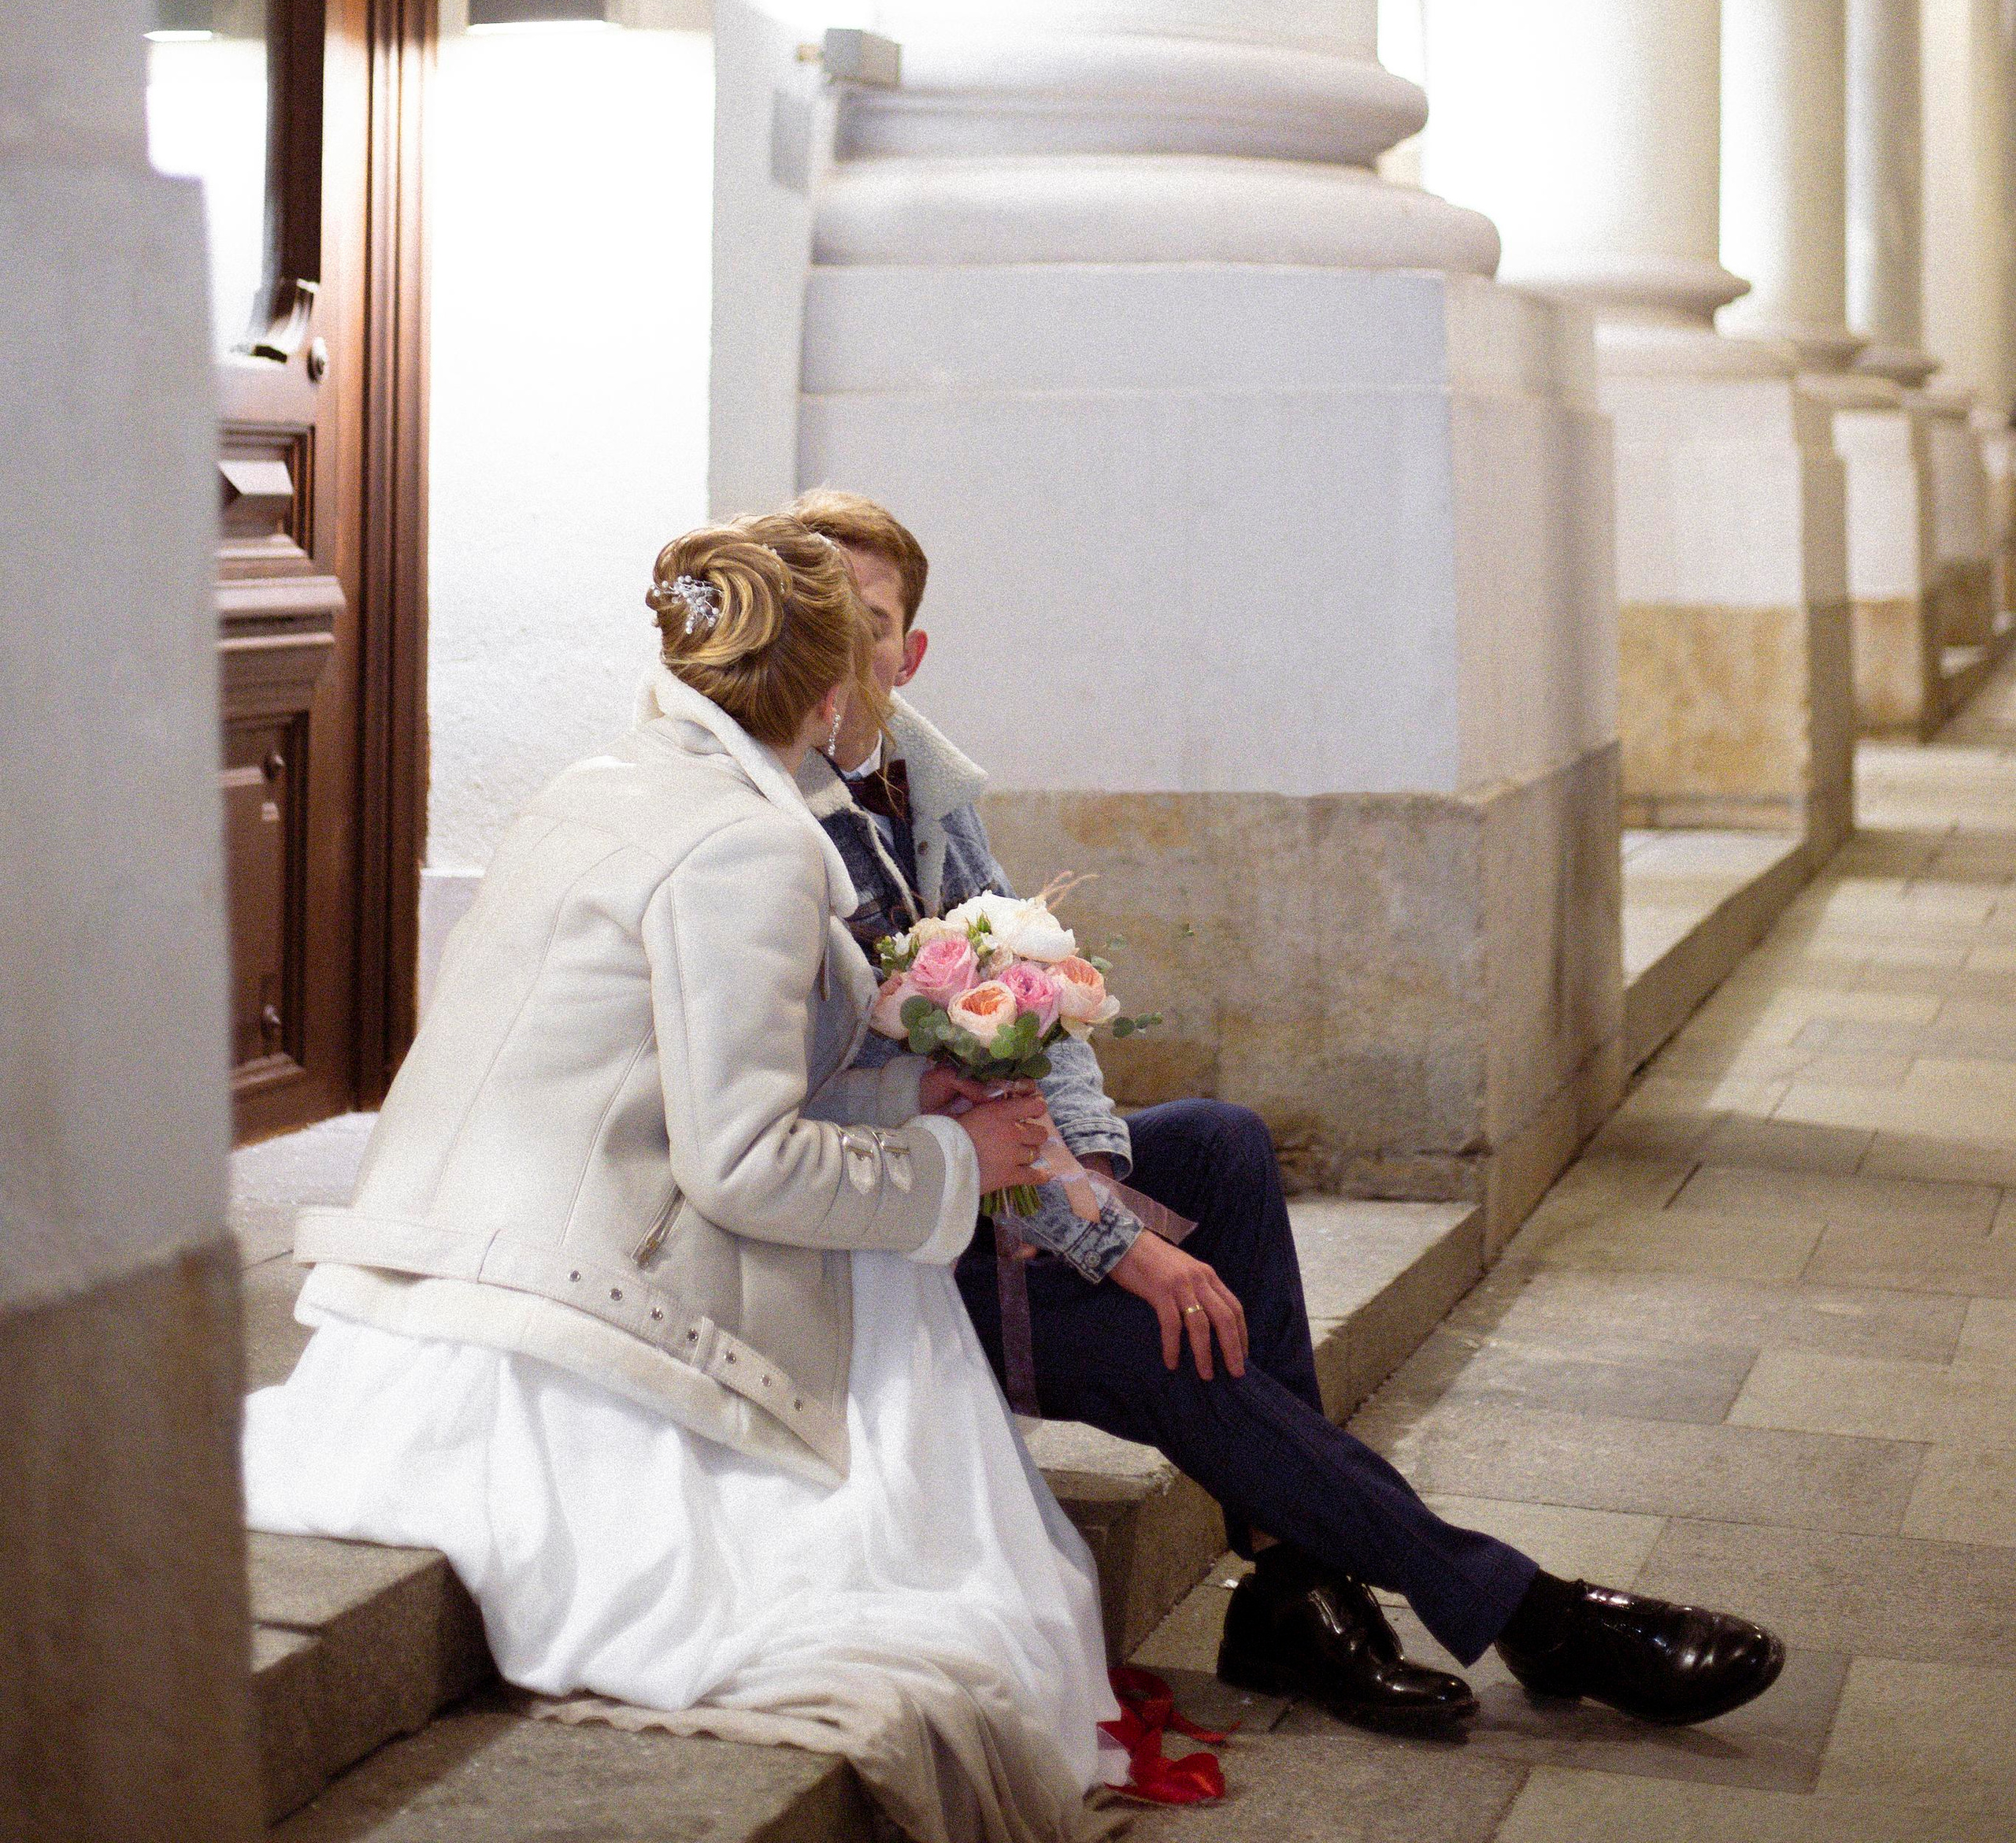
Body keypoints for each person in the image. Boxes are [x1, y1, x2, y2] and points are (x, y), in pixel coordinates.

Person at [788, 488, 1787, 1740]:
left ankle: (1296, 1583)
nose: (839, 645)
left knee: (1222, 1143)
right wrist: (1117, 1244)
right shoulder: (784, 828)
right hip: (882, 1250)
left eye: (867, 619)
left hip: (990, 1190)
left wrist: (1092, 1181)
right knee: (1169, 1334)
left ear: (907, 651)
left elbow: (1034, 1022)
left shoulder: (922, 785)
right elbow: (902, 1090)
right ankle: (1519, 1609)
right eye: (812, 612)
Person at [243, 517, 1127, 1843]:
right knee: (918, 1534)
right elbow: (743, 1164)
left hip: (426, 1267)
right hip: (566, 1303)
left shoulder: (600, 779)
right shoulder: (750, 848)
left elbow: (656, 1070)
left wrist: (898, 1088)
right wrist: (954, 1157)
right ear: (833, 696)